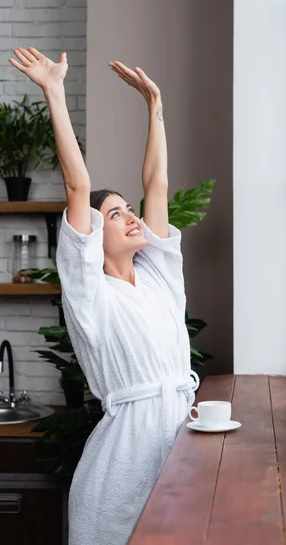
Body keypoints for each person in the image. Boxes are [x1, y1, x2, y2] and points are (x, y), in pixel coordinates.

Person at [8, 47, 200, 545]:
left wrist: (154, 106)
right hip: (125, 462)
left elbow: (156, 186)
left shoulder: (159, 276)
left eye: (127, 210)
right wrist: (53, 90)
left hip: (180, 442)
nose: (132, 216)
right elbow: (79, 183)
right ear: (92, 235)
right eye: (115, 215)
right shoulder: (90, 293)